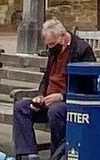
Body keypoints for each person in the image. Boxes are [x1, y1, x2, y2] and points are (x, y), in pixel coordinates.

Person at [12, 18, 95, 160]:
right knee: (21, 107)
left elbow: (87, 85)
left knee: (56, 111)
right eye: (48, 44)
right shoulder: (54, 49)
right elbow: (47, 78)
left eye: (52, 44)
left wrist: (62, 96)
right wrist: (40, 95)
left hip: (68, 102)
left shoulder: (82, 50)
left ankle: (57, 155)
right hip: (48, 100)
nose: (50, 47)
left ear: (63, 37)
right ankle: (29, 154)